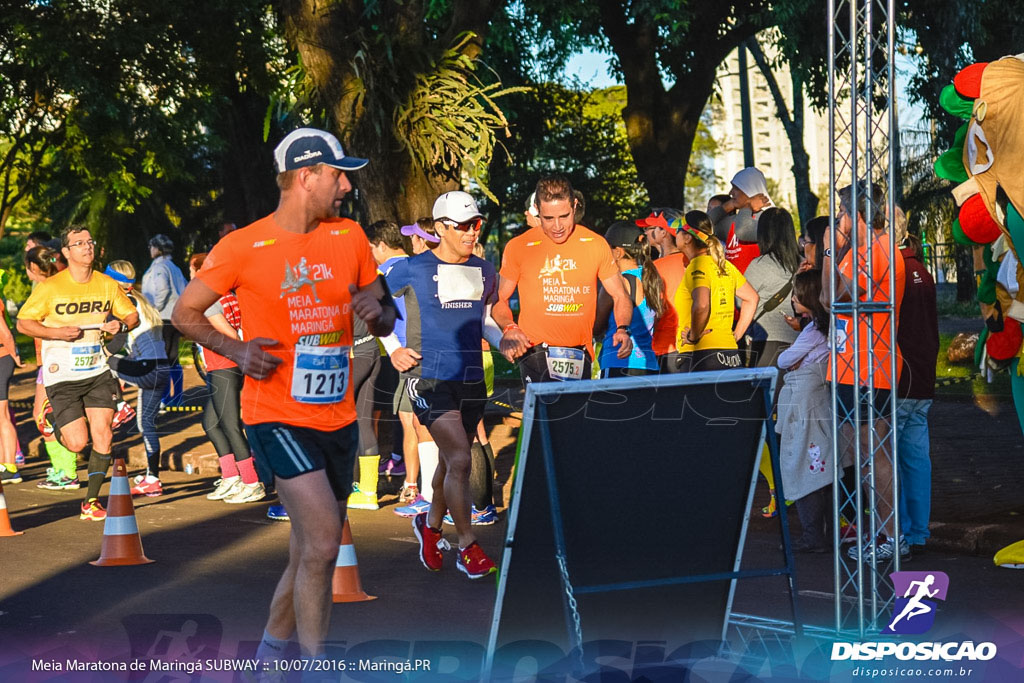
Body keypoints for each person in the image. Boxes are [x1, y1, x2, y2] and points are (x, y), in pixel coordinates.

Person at [172, 127, 395, 659]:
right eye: (338, 175)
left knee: (305, 552)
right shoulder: (243, 245)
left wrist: (378, 314)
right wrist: (238, 350)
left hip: (336, 417)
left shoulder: (350, 238)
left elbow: (385, 311)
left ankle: (270, 654)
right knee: (323, 544)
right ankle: (315, 667)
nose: (346, 186)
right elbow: (183, 313)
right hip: (276, 413)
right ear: (305, 176)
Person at [385, 190, 502, 578]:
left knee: (453, 462)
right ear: (440, 229)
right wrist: (392, 349)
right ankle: (467, 545)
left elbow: (485, 322)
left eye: (476, 224)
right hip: (428, 379)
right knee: (461, 460)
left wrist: (508, 343)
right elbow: (371, 305)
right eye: (463, 226)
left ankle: (430, 528)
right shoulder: (411, 268)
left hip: (470, 377)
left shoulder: (485, 270)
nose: (471, 232)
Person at [17, 226, 140, 521]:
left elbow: (132, 315)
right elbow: (23, 323)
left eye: (90, 242)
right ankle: (52, 420)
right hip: (62, 374)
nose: (87, 247)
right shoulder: (51, 287)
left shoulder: (107, 284)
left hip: (97, 371)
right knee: (76, 443)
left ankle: (91, 502)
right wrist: (55, 332)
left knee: (104, 436)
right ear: (67, 252)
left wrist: (120, 326)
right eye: (79, 243)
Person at [821, 182, 907, 563]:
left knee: (874, 456)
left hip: (867, 368)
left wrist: (830, 249)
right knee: (867, 457)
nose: (837, 219)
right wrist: (832, 250)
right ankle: (884, 532)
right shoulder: (860, 251)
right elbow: (831, 299)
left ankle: (893, 535)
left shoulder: (875, 251)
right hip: (853, 367)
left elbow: (841, 297)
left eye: (841, 212)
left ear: (856, 214)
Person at [495, 175, 633, 382]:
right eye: (548, 218)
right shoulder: (519, 246)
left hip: (581, 352)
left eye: (564, 216)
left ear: (574, 206)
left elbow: (620, 295)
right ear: (537, 210)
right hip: (535, 351)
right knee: (544, 412)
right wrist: (510, 328)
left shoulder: (595, 244)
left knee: (575, 413)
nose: (557, 226)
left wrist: (622, 328)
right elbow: (499, 300)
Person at [188, 253, 265, 505]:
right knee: (211, 423)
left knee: (230, 425)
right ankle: (231, 476)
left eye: (191, 270)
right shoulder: (227, 295)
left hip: (224, 366)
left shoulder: (210, 300)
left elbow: (230, 333)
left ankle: (252, 482)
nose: (190, 275)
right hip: (221, 366)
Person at [775, 270, 836, 553]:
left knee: (803, 464)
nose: (792, 299)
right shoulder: (826, 328)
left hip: (804, 406)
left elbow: (785, 359)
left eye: (796, 295)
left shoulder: (812, 331)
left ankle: (813, 536)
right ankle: (827, 533)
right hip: (820, 401)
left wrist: (792, 359)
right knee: (823, 466)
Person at [102, 260, 171, 497]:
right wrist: (123, 368)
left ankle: (119, 406)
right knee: (146, 425)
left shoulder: (125, 303)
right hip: (161, 368)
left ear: (112, 281)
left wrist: (105, 355)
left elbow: (119, 341)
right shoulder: (142, 300)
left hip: (147, 369)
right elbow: (138, 344)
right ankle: (153, 478)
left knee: (101, 361)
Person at [895, 232, 938, 556]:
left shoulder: (893, 269)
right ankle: (917, 532)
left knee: (888, 458)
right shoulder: (921, 270)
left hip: (898, 376)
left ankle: (900, 530)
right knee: (916, 458)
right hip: (922, 375)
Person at [672, 211, 759, 372]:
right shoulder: (724, 265)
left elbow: (702, 304)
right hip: (729, 353)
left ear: (687, 237)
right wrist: (736, 335)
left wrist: (693, 336)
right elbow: (751, 298)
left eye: (678, 231)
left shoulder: (697, 266)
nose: (675, 235)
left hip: (700, 354)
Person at [25, 246, 82, 490]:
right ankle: (61, 467)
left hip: (54, 361)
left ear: (33, 268)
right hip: (54, 360)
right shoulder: (61, 285)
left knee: (45, 415)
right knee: (48, 414)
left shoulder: (46, 290)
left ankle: (66, 470)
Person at [594, 222, 663, 377]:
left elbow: (596, 326)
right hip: (649, 364)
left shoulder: (617, 284)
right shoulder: (650, 278)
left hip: (618, 361)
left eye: (607, 249)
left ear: (618, 252)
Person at [743, 207, 801, 368]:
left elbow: (741, 302)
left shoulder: (759, 265)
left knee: (767, 391)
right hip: (799, 343)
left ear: (764, 233)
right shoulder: (803, 264)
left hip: (766, 343)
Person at [708, 168, 772, 274]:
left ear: (748, 189)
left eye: (735, 188)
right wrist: (728, 205)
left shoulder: (769, 219)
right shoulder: (734, 221)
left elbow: (743, 231)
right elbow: (703, 225)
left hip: (759, 288)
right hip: (735, 287)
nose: (730, 193)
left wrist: (747, 206)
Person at [142, 234, 188, 362]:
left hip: (163, 316)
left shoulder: (160, 267)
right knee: (173, 357)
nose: (150, 249)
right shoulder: (174, 267)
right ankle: (177, 382)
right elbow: (185, 287)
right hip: (175, 316)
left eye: (151, 246)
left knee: (163, 356)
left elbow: (163, 289)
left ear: (158, 249)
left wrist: (155, 308)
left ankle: (164, 382)